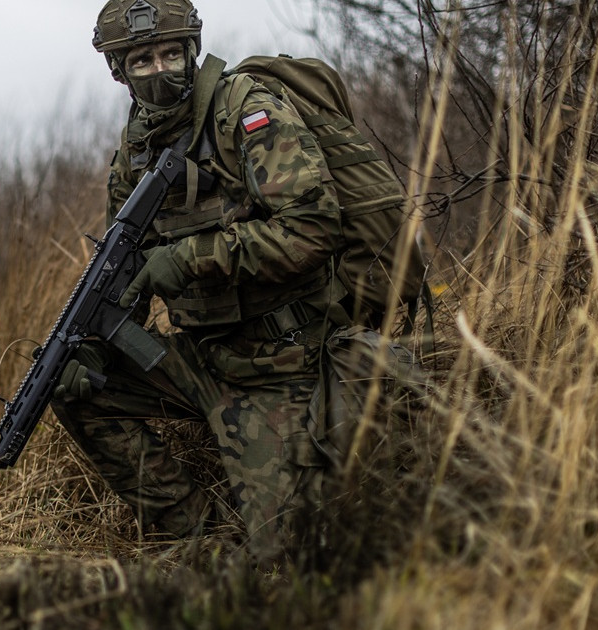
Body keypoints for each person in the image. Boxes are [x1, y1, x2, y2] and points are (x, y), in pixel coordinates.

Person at [50, 0, 423, 567]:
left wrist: (190, 259)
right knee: (74, 385)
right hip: (205, 358)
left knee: (288, 557)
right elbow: (125, 279)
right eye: (142, 60)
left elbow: (311, 227)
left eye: (170, 53)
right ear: (118, 70)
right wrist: (92, 345)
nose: (160, 70)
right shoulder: (133, 153)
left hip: (280, 362)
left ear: (191, 50)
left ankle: (260, 540)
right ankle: (203, 540)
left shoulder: (245, 111)